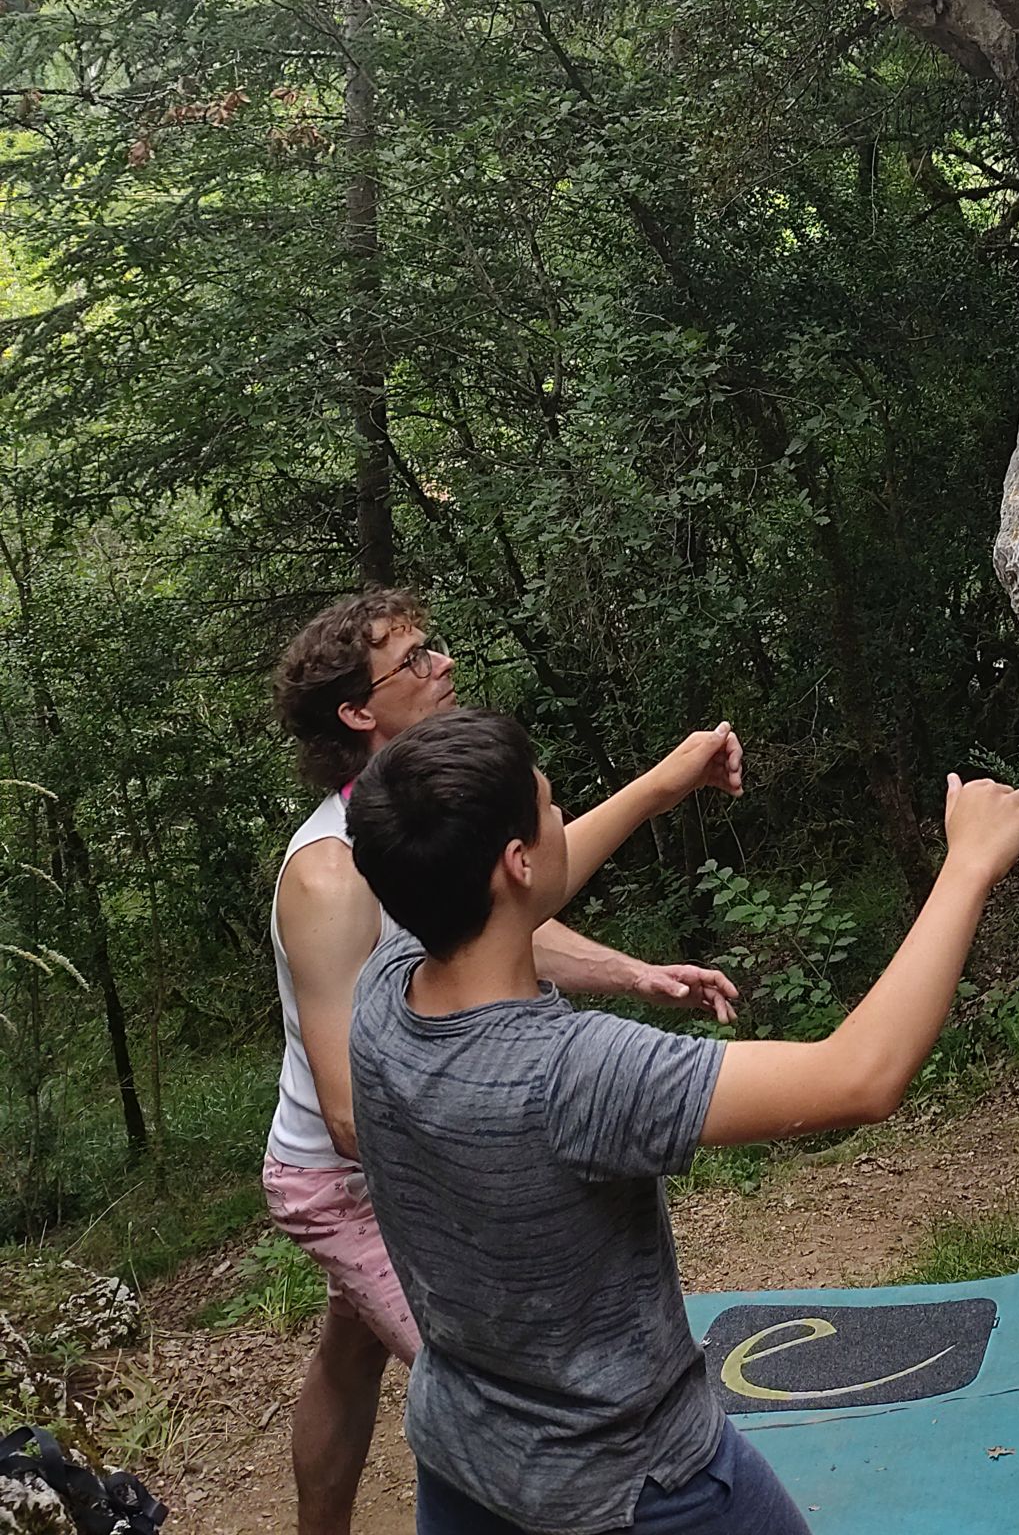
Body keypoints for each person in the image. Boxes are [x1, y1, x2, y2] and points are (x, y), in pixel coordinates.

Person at [343, 709, 1019, 1535]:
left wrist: (658, 789)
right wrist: (966, 865)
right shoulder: (573, 1075)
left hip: (465, 1465)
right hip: (641, 1487)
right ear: (517, 860)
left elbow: (510, 901)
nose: (564, 816)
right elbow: (860, 1076)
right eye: (551, 806)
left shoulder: (381, 994)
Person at [263, 589, 742, 1535]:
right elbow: (356, 1113)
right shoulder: (327, 876)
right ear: (358, 713)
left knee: (350, 1353)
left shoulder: (418, 818)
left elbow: (504, 915)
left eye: (433, 648)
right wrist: (500, 1131)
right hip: (356, 1173)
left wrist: (633, 973)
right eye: (414, 660)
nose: (442, 665)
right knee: (500, 1395)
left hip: (417, 1130)